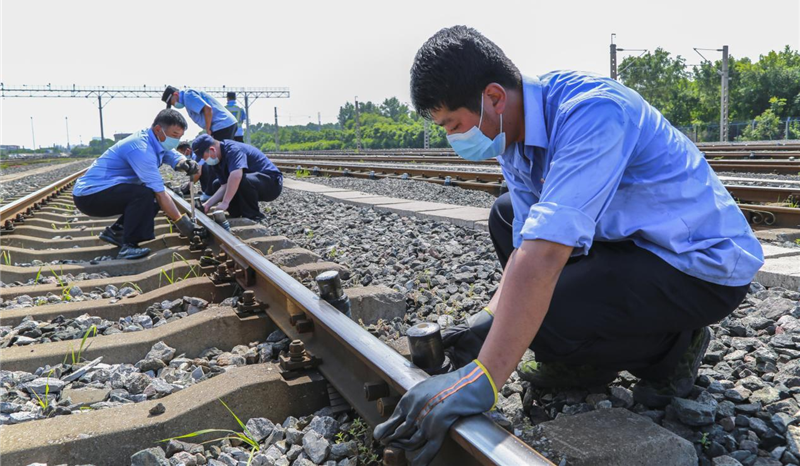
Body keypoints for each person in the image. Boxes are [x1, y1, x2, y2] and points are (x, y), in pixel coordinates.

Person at [374, 26, 765, 465]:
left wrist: (485, 376)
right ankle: (586, 353)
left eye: (453, 125)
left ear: (494, 98)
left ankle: (673, 351)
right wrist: (484, 322)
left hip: (698, 266)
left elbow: (543, 258)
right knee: (506, 219)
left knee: (541, 314)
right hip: (633, 245)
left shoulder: (593, 111)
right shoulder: (513, 139)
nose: (453, 138)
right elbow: (525, 242)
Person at [72, 109, 201, 260]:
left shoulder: (153, 140)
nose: (177, 141)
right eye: (174, 135)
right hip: (90, 196)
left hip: (102, 191)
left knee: (146, 194)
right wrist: (183, 224)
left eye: (180, 137)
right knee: (146, 194)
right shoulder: (141, 148)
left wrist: (183, 162)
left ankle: (117, 232)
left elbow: (169, 153)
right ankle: (129, 245)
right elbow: (160, 193)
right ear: (158, 129)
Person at [192, 134, 283, 221]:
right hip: (251, 182)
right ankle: (237, 212)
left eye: (204, 157)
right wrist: (207, 205)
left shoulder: (233, 149)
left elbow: (236, 176)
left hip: (271, 184)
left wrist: (225, 202)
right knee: (216, 184)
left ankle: (253, 215)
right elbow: (224, 186)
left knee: (242, 180)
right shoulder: (217, 161)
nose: (204, 161)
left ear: (212, 150)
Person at [162, 86, 238, 141]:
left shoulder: (187, 96)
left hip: (221, 126)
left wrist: (208, 130)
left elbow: (207, 109)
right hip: (226, 124)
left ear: (175, 94)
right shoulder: (188, 95)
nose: (174, 105)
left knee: (220, 156)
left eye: (172, 102)